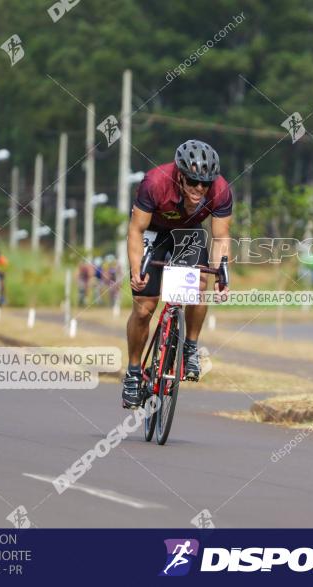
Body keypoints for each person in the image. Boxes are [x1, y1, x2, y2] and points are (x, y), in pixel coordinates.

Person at [123, 140, 232, 409]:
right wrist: (136, 269)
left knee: (199, 285)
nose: (199, 189)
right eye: (193, 181)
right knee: (144, 306)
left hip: (188, 234)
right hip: (153, 232)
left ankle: (190, 346)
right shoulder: (155, 182)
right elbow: (136, 230)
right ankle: (134, 373)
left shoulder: (220, 190)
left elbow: (220, 237)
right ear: (180, 174)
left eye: (204, 183)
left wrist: (221, 273)